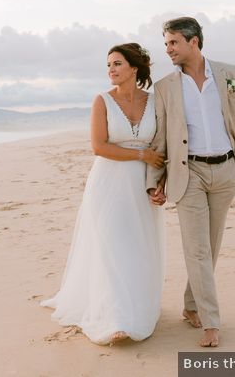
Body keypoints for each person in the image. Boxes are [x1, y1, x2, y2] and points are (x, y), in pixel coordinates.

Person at [41, 42, 167, 346]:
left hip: (143, 185)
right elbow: (99, 147)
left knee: (138, 248)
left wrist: (160, 181)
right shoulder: (102, 101)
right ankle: (116, 319)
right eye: (108, 65)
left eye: (117, 64)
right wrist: (141, 157)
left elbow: (163, 146)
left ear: (134, 69)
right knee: (111, 247)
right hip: (108, 184)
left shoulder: (156, 101)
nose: (110, 70)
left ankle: (137, 306)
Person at [146, 17, 235, 348]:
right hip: (188, 174)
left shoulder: (231, 75)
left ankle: (192, 305)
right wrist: (154, 180)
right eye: (166, 44)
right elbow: (161, 137)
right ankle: (210, 321)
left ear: (194, 41)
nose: (168, 50)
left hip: (225, 172)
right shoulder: (164, 87)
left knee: (211, 246)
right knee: (197, 249)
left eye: (173, 42)